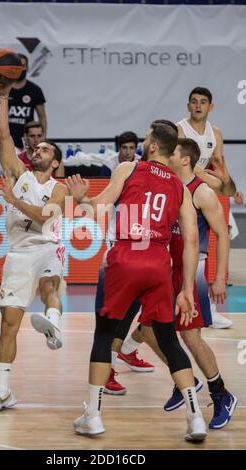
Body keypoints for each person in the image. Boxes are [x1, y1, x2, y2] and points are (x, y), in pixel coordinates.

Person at [67, 123, 207, 442]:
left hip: (127, 255)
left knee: (104, 334)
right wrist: (186, 289)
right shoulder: (180, 186)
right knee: (170, 340)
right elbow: (192, 238)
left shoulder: (129, 167)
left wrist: (81, 198)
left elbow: (100, 206)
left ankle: (93, 416)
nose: (142, 143)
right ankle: (196, 417)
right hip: (159, 262)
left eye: (146, 138)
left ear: (154, 146)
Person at [0, 82, 67, 413]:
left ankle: (53, 322)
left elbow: (48, 218)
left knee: (50, 285)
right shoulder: (20, 174)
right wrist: (3, 96)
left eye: (45, 150)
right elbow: (4, 137)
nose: (37, 151)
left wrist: (15, 201)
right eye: (35, 148)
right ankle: (3, 391)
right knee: (8, 324)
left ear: (56, 162)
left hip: (47, 247)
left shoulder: (59, 188)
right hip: (18, 254)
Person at [142, 138, 237, 429]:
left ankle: (221, 395)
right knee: (148, 332)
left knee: (191, 337)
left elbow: (222, 233)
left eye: (173, 154)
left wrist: (219, 278)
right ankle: (186, 378)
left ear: (184, 159)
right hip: (164, 269)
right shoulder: (168, 185)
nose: (167, 156)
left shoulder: (202, 192)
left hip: (191, 270)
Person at [103, 122, 179, 395]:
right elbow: (104, 202)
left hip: (152, 251)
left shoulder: (167, 177)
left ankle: (127, 350)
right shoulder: (130, 169)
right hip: (124, 246)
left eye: (145, 139)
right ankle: (108, 368)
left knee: (148, 316)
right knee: (120, 317)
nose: (140, 145)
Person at [177, 86, 239, 328]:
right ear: (188, 105)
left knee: (207, 249)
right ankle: (197, 304)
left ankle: (208, 308)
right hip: (184, 193)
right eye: (194, 101)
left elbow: (219, 171)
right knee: (189, 251)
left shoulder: (216, 133)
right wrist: (214, 181)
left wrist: (227, 185)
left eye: (203, 102)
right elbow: (188, 170)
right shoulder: (180, 129)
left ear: (211, 106)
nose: (198, 105)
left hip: (203, 192)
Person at [0, 53, 47, 149]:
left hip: (27, 143)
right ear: (13, 67)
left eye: (23, 66)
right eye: (18, 66)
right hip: (5, 141)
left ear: (27, 67)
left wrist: (43, 138)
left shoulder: (35, 90)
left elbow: (42, 116)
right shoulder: (3, 88)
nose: (21, 69)